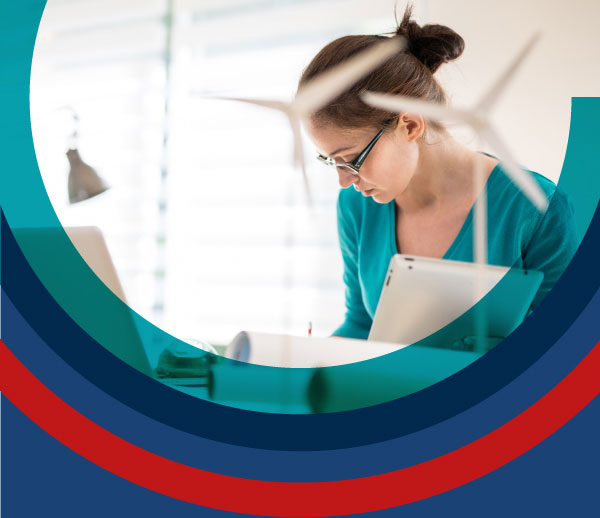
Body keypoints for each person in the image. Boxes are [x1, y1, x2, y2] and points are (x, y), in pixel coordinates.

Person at [298, 5, 578, 340]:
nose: (344, 180)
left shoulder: (536, 210)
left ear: (410, 124)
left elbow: (565, 348)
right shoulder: (357, 207)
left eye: (351, 159)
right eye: (332, 162)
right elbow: (361, 325)